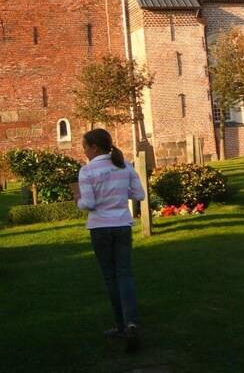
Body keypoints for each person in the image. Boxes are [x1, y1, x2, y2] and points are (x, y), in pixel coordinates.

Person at [72, 128, 146, 350]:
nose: (84, 151)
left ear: (94, 148)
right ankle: (132, 322)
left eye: (85, 147)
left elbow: (89, 203)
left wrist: (77, 200)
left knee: (110, 277)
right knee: (125, 274)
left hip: (100, 227)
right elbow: (139, 195)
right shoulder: (125, 166)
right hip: (122, 225)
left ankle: (121, 325)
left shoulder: (87, 171)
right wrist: (121, 193)